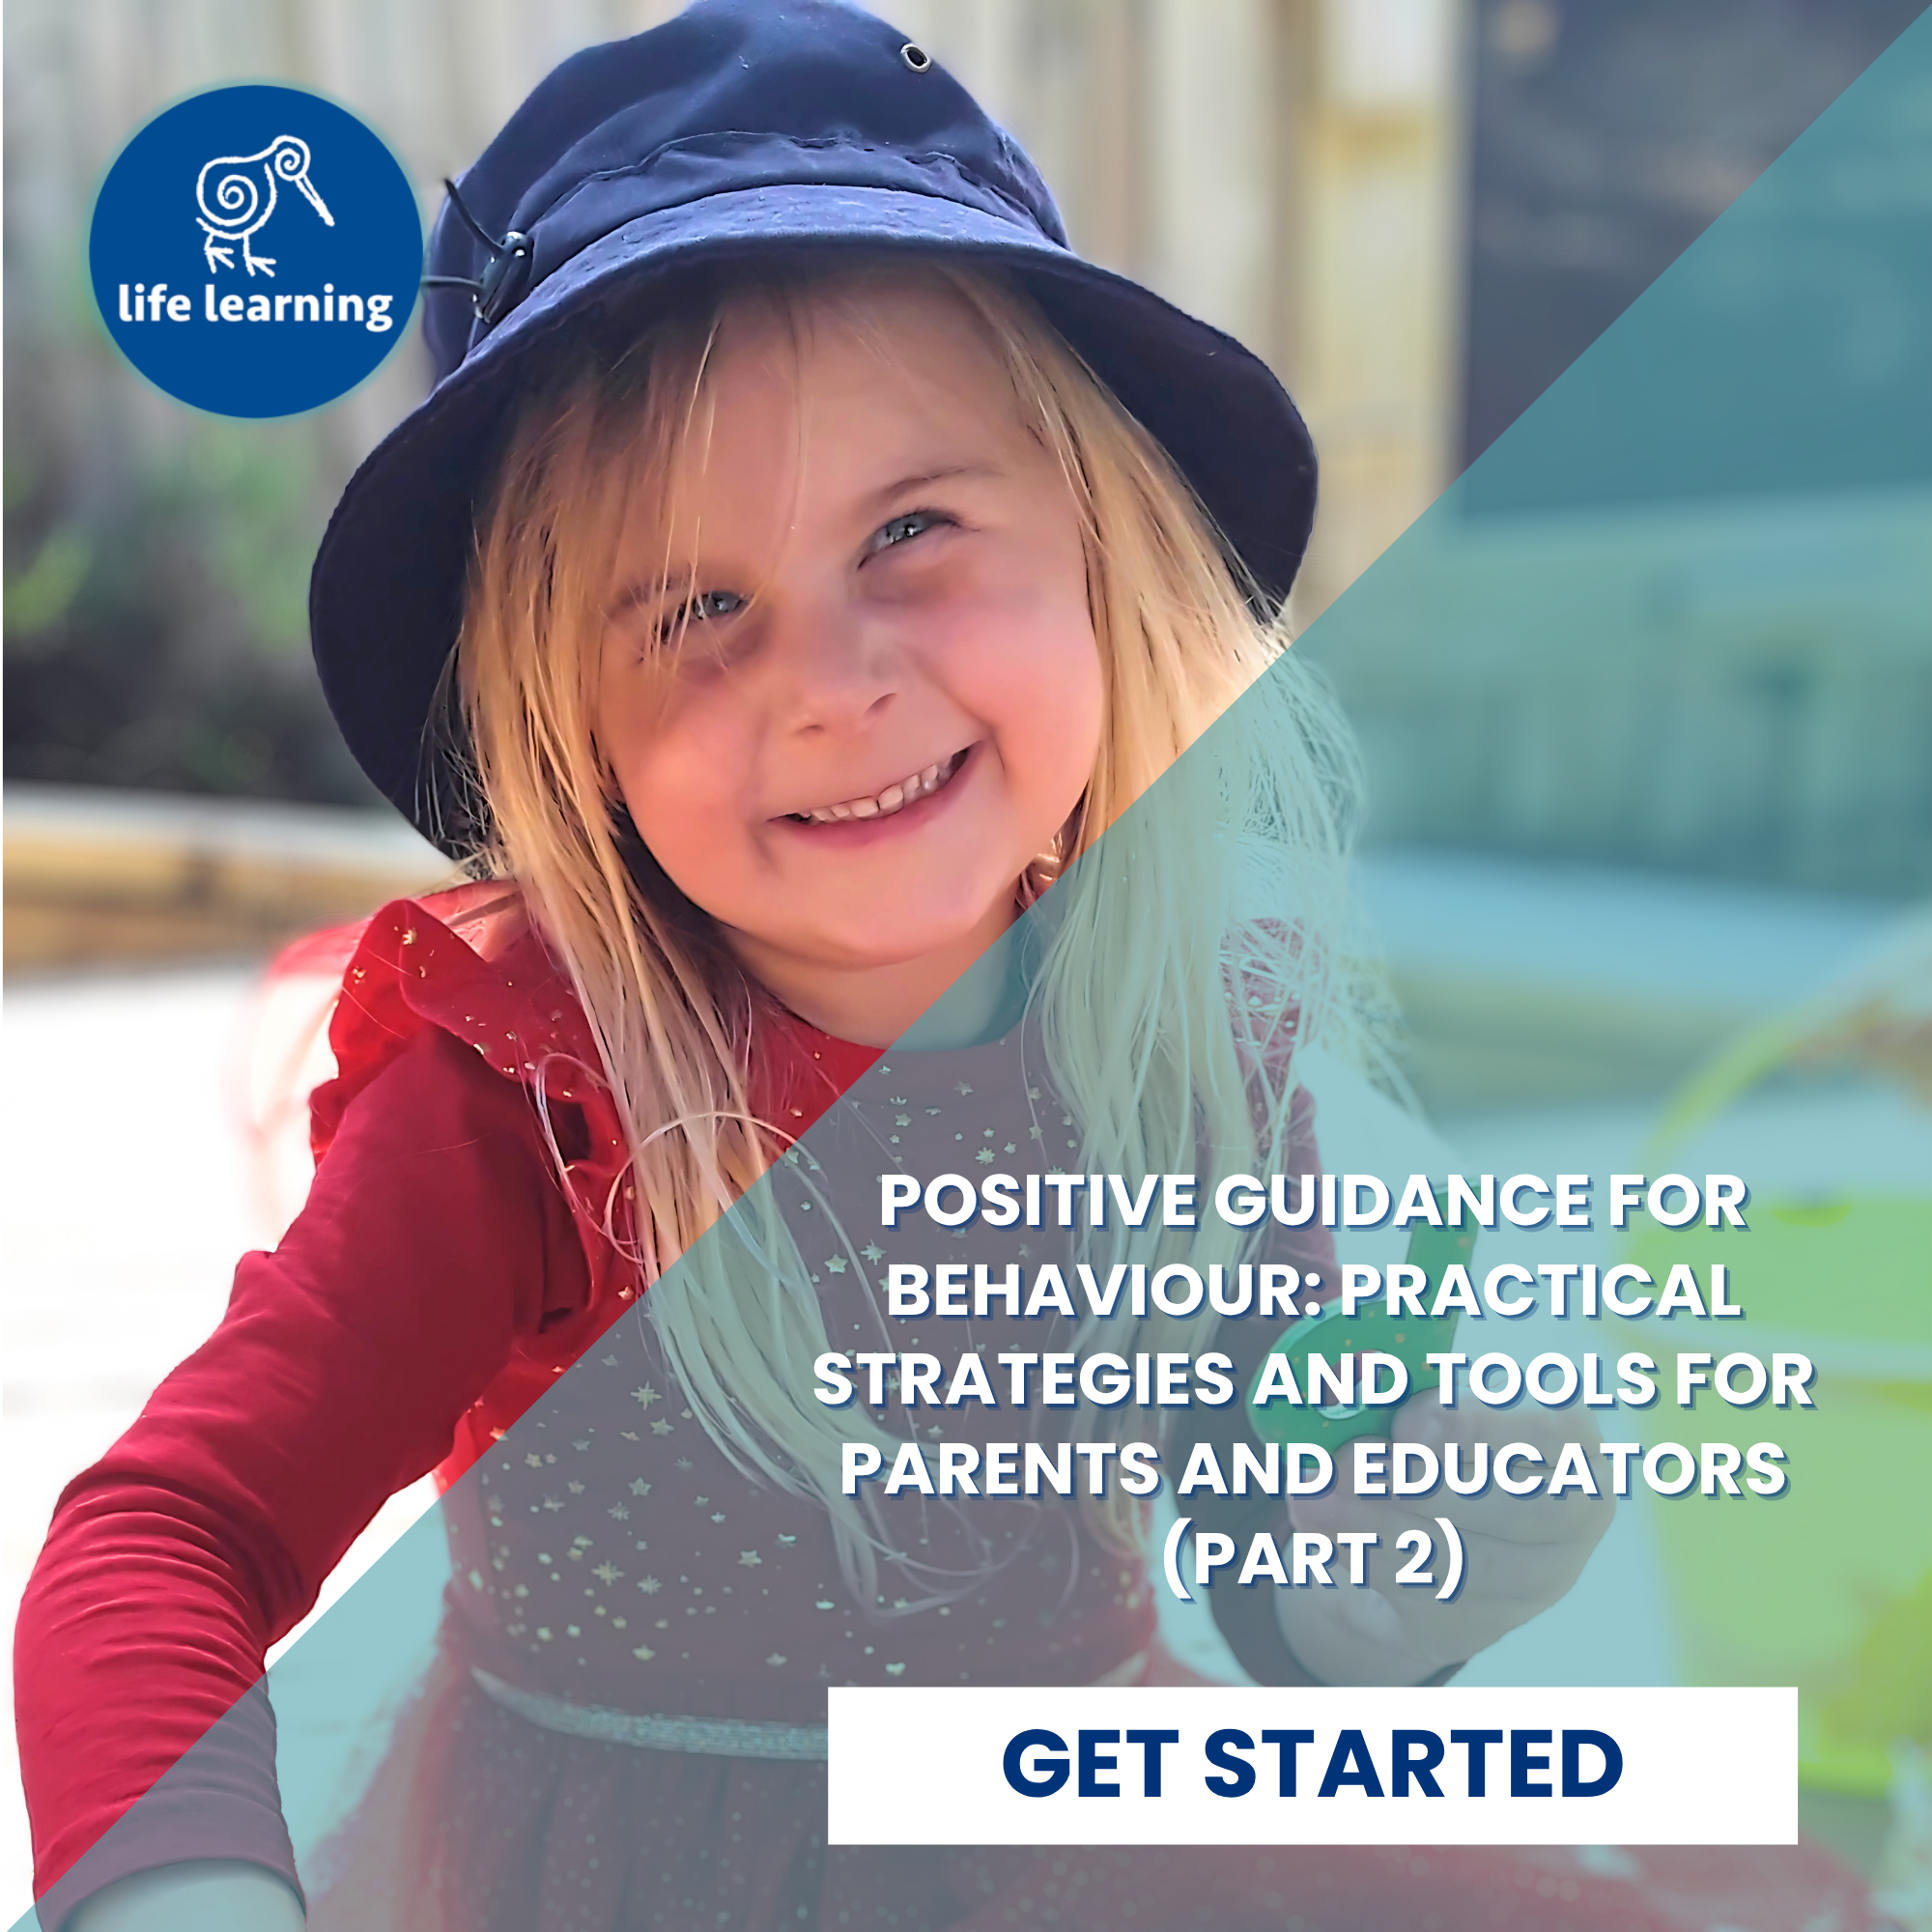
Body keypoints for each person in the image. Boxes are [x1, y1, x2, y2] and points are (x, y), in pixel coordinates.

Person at [13, 6, 1876, 1929]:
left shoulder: (1188, 1036)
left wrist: (1445, 1546)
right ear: (566, 718)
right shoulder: (532, 1095)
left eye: (911, 530)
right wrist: (181, 1888)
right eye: (697, 606)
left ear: (1104, 548)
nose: (831, 684)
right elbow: (166, 1536)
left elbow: (1286, 1590)